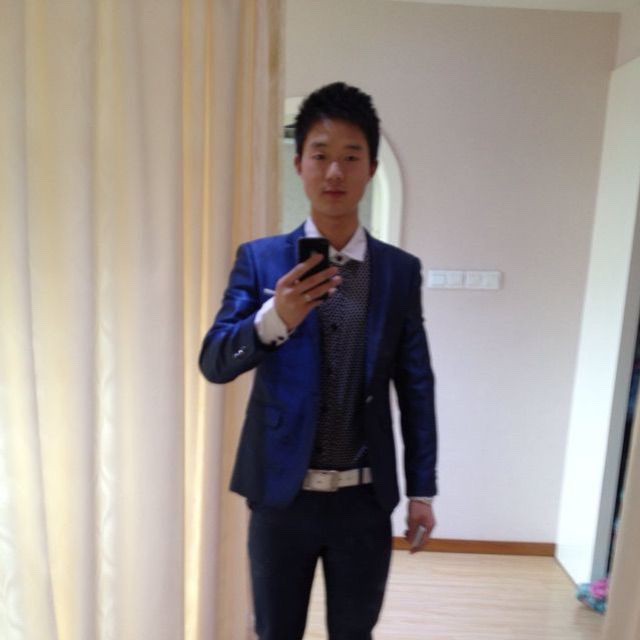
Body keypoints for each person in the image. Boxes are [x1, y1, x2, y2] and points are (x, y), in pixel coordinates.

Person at [199, 82, 438, 640]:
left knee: (354, 634)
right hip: (281, 496)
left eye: (351, 157)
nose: (335, 172)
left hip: (364, 498)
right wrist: (274, 318)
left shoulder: (398, 271)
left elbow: (416, 386)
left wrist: (422, 490)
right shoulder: (261, 261)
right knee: (275, 632)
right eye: (321, 155)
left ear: (371, 168)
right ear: (299, 164)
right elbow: (215, 361)